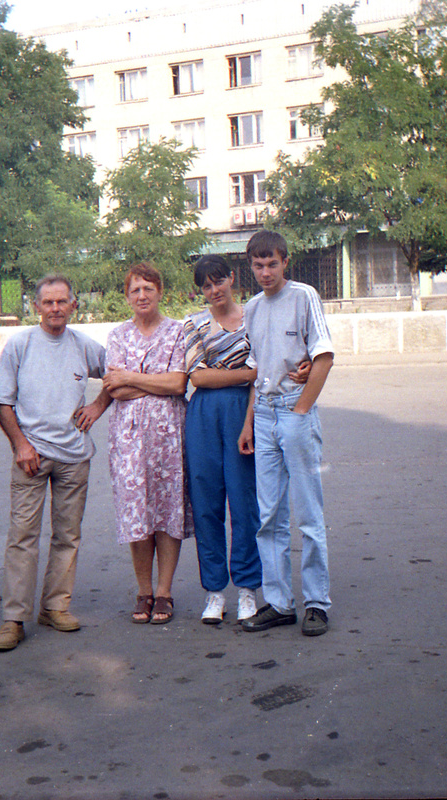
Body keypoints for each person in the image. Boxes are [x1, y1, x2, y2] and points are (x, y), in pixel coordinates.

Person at [0, 275, 112, 652]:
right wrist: (20, 445)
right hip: (32, 456)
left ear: (74, 305)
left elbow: (117, 375)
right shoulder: (20, 345)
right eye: (48, 302)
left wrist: (97, 406)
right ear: (36, 306)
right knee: (22, 537)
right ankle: (14, 618)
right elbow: (3, 401)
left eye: (62, 302)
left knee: (67, 536)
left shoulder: (84, 346)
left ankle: (55, 606)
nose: (55, 309)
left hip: (74, 456)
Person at [237, 230, 335, 637]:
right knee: (269, 515)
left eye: (272, 263)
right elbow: (256, 371)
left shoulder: (303, 296)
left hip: (294, 411)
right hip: (263, 413)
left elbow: (324, 356)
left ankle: (316, 602)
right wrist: (249, 424)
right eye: (258, 265)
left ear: (285, 262)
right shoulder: (253, 308)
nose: (265, 272)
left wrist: (301, 409)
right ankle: (279, 602)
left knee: (308, 514)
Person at [103, 263, 192, 625]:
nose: (142, 296)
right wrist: (152, 380)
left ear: (160, 292)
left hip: (170, 433)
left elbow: (177, 384)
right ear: (127, 296)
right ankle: (144, 590)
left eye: (148, 289)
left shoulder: (177, 332)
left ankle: (166, 592)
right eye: (135, 290)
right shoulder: (118, 335)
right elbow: (115, 387)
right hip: (128, 436)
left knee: (169, 509)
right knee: (137, 510)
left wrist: (132, 378)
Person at [181, 255, 262, 624]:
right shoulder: (194, 323)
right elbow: (197, 378)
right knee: (206, 502)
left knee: (243, 502)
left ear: (232, 278)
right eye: (206, 286)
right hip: (202, 416)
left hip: (242, 414)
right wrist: (245, 373)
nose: (214, 290)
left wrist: (244, 377)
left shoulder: (254, 318)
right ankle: (215, 592)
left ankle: (247, 589)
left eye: (219, 281)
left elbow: (262, 373)